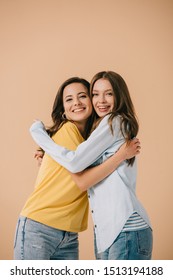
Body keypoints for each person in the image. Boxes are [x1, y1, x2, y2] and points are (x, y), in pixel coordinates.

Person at [30, 71, 153, 260]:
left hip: (125, 227)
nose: (101, 100)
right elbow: (79, 165)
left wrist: (40, 135)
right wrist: (49, 156)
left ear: (120, 96)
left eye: (109, 93)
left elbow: (75, 162)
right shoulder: (97, 130)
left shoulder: (114, 121)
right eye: (95, 94)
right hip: (108, 232)